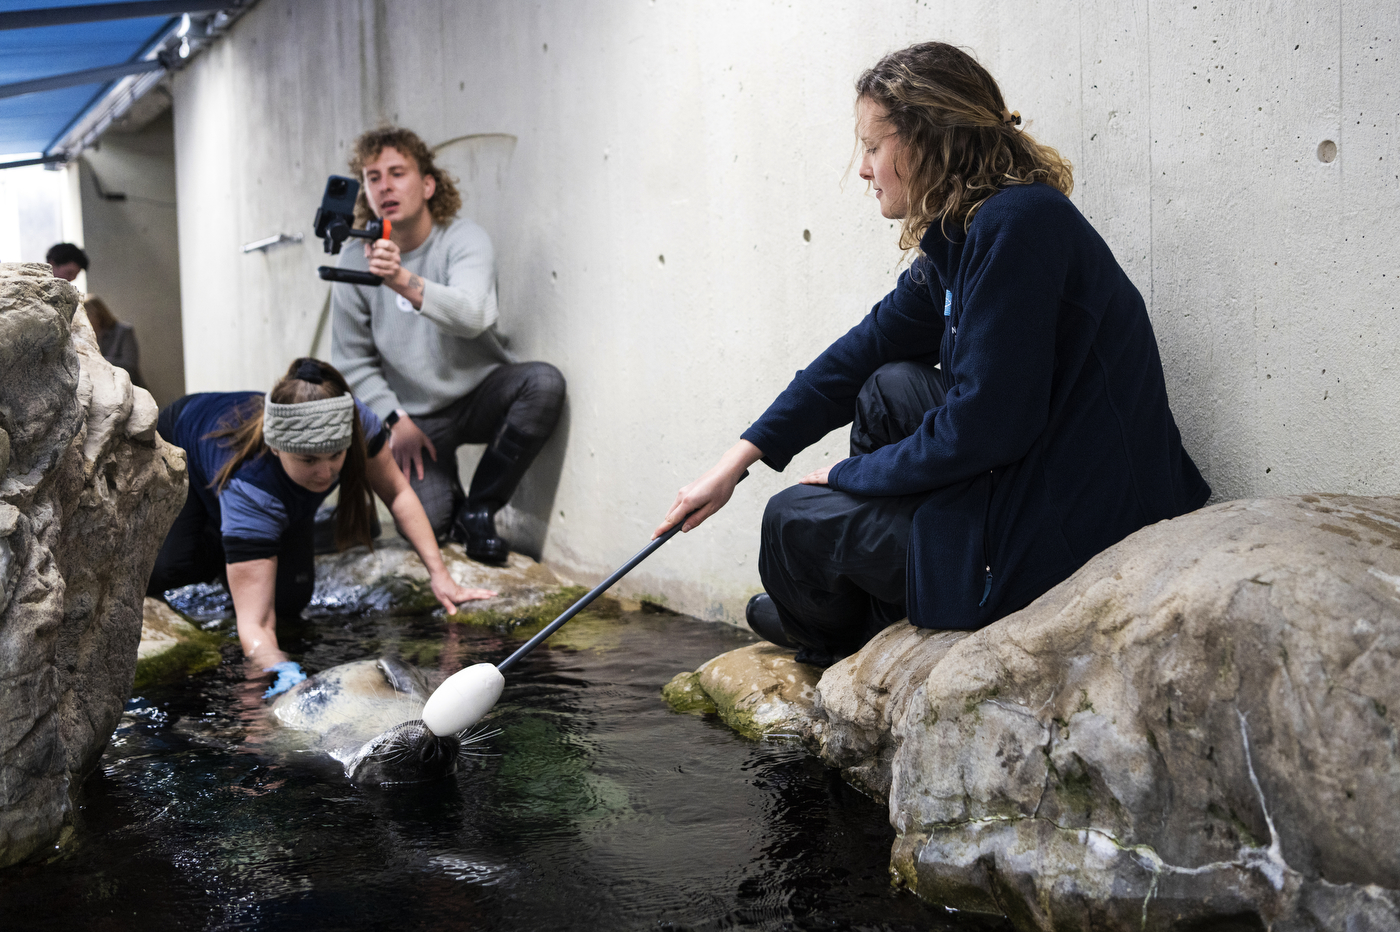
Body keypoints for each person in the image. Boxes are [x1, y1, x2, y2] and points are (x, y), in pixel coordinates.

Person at [656, 42, 1210, 666]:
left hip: (1065, 520)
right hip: (1032, 472)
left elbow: (988, 425)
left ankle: (853, 626)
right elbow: (858, 355)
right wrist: (737, 461)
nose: (863, 170)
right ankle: (886, 591)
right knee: (887, 386)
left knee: (791, 522)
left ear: (924, 140)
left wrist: (846, 475)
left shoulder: (1019, 225)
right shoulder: (964, 234)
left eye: (872, 147)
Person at [147, 357, 495, 694]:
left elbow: (398, 492)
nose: (326, 473)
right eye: (309, 459)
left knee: (291, 600)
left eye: (335, 456)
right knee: (170, 570)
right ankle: (229, 546)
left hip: (276, 495)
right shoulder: (251, 487)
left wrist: (440, 574)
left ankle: (241, 553)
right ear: (277, 448)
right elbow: (256, 627)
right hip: (184, 442)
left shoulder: (354, 421)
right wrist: (280, 670)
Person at [331, 126, 566, 565]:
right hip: (414, 417)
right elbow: (350, 359)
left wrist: (401, 280)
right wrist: (392, 419)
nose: (385, 186)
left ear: (427, 184)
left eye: (397, 172)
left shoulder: (462, 238)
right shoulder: (353, 257)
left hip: (479, 393)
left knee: (543, 384)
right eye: (373, 176)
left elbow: (476, 315)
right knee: (430, 526)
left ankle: (481, 508)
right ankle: (455, 511)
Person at [82, 294, 146, 389]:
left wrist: (97, 361)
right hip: (100, 389)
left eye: (87, 315)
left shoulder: (123, 332)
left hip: (127, 388)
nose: (83, 320)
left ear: (99, 314)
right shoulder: (84, 336)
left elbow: (130, 365)